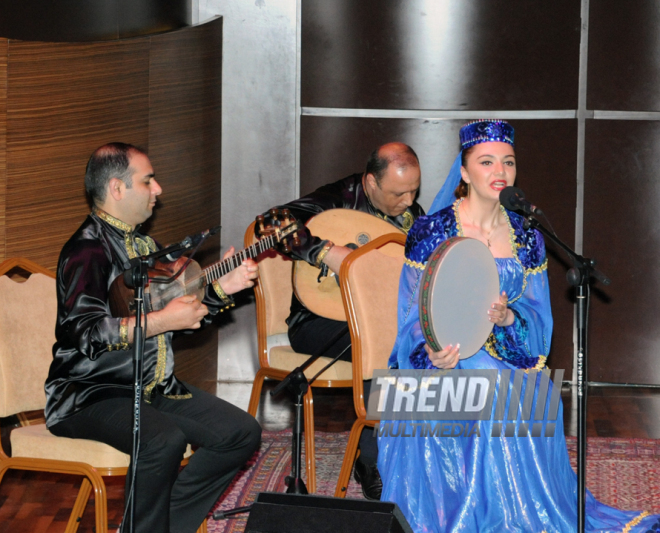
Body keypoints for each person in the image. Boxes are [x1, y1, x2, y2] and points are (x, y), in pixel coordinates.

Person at [378, 120, 660, 532]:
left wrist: (510, 318)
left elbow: (536, 318)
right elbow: (411, 312)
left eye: (508, 163)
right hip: (445, 361)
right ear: (464, 170)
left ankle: (524, 516)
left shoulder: (527, 236)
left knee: (536, 392)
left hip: (507, 354)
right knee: (494, 397)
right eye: (486, 161)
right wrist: (430, 353)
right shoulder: (432, 231)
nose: (500, 172)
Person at [44, 143, 262, 533]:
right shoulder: (87, 251)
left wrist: (222, 289)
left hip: (151, 387)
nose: (158, 189)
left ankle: (164, 526)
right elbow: (85, 332)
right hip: (90, 394)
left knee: (239, 433)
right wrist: (160, 319)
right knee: (163, 440)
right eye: (148, 180)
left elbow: (182, 316)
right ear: (117, 188)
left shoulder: (146, 247)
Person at [260, 142, 424, 499]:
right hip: (316, 321)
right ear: (369, 184)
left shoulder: (412, 216)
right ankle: (372, 461)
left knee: (412, 341)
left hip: (379, 322)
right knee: (380, 343)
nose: (409, 201)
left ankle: (409, 453)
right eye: (399, 193)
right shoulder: (338, 199)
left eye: (414, 190)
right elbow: (269, 223)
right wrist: (324, 252)